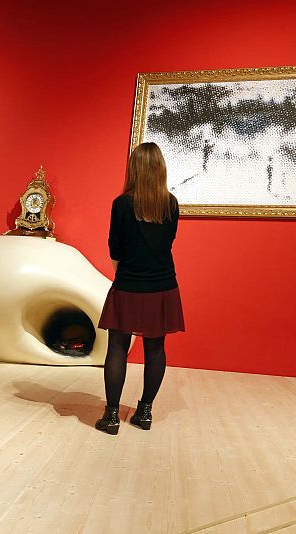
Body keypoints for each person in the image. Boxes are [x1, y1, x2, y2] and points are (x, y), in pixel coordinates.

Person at [95, 142, 185, 435]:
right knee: (155, 348)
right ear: (161, 169)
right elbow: (167, 243)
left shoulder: (121, 204)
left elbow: (115, 248)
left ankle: (110, 417)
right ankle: (144, 412)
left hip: (129, 284)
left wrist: (123, 276)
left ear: (134, 169)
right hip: (163, 285)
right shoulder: (170, 204)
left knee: (117, 348)